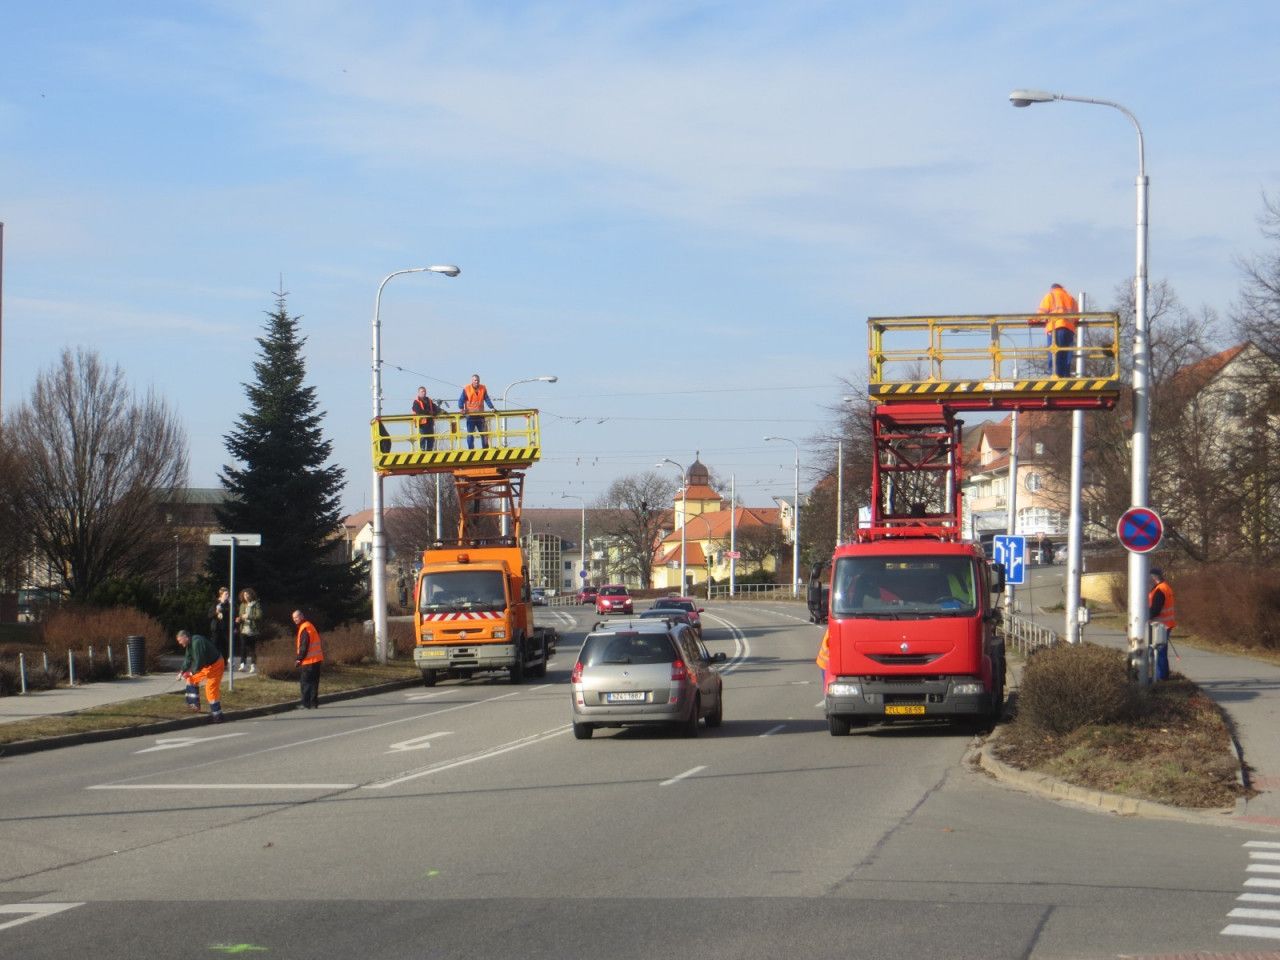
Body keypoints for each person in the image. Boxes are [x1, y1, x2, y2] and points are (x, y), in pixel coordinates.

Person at [175, 629, 226, 723]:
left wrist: (190, 673)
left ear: (185, 637)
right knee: (191, 679)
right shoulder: (189, 644)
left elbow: (199, 662)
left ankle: (217, 716)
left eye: (180, 640)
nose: (179, 643)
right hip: (207, 667)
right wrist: (182, 672)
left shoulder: (197, 642)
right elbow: (188, 659)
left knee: (210, 689)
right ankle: (194, 705)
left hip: (216, 665)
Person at [1033, 283, 1079, 378]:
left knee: (1054, 353)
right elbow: (1077, 318)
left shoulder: (1051, 296)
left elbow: (1041, 314)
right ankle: (1065, 375)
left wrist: (1032, 320)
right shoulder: (1071, 298)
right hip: (1069, 330)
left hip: (1055, 328)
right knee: (1066, 354)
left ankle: (1054, 374)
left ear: (1052, 288)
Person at [1148, 568, 1177, 681]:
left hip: (1161, 625)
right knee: (1161, 650)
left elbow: (1155, 609)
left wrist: (1146, 617)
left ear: (1154, 577)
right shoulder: (1165, 587)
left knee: (1159, 651)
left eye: (1151, 577)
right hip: (1166, 623)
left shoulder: (1160, 590)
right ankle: (1162, 676)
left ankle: (1161, 677)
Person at [292, 608, 324, 709]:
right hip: (316, 659)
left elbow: (304, 646)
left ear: (302, 616)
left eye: (297, 617)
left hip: (308, 661)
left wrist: (299, 659)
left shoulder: (304, 628)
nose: (295, 619)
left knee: (305, 683)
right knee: (314, 682)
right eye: (294, 618)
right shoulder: (309, 625)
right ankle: (314, 703)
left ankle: (306, 704)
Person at [458, 373, 496, 449]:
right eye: (475, 380)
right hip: (470, 416)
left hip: (480, 415)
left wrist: (492, 407)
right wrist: (461, 408)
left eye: (478, 380)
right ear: (472, 381)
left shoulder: (483, 388)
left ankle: (485, 448)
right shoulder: (467, 389)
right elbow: (461, 400)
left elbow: (487, 398)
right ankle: (471, 449)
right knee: (470, 434)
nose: (476, 382)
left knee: (484, 433)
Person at [234, 587, 263, 673]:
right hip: (243, 629)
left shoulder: (256, 604)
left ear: (251, 595)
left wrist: (249, 617)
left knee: (252, 648)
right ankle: (243, 665)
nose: (246, 596)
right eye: (244, 595)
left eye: (247, 594)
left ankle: (253, 665)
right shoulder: (242, 605)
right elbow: (241, 616)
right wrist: (239, 619)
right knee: (243, 647)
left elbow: (259, 616)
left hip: (253, 630)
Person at [208, 586, 233, 662]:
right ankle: (214, 661)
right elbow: (209, 615)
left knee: (225, 645)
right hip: (216, 628)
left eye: (228, 594)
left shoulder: (229, 604)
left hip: (225, 627)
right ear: (221, 594)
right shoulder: (215, 603)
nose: (227, 595)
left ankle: (224, 662)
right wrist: (216, 612)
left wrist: (231, 605)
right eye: (226, 594)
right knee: (215, 644)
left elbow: (232, 614)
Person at [412, 386, 437, 452]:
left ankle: (429, 451)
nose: (424, 393)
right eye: (422, 391)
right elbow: (418, 411)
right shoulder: (416, 402)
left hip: (430, 423)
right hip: (422, 424)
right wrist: (429, 412)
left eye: (424, 391)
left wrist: (438, 411)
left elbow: (434, 408)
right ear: (419, 393)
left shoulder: (429, 400)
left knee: (431, 439)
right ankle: (422, 451)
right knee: (422, 438)